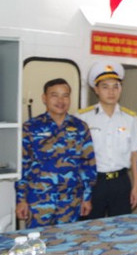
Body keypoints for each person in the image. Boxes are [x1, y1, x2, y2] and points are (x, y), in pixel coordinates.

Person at [15, 78, 96, 227]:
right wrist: (21, 200)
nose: (61, 100)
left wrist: (87, 197)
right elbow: (22, 165)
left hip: (71, 200)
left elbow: (88, 164)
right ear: (44, 98)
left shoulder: (80, 127)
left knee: (68, 243)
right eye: (54, 95)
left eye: (65, 95)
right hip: (39, 200)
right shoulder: (30, 127)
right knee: (37, 243)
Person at [78, 62, 137, 218]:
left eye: (116, 86)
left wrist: (136, 186)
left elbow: (135, 156)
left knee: (121, 230)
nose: (111, 92)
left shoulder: (131, 119)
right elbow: (76, 158)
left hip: (121, 182)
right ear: (96, 89)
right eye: (105, 87)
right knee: (90, 230)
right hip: (94, 183)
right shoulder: (82, 118)